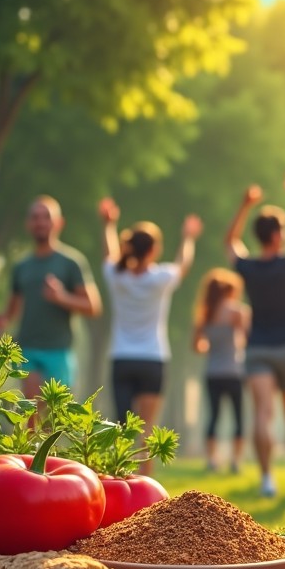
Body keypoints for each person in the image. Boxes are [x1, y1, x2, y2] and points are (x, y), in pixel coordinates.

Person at [226, 169, 285, 497]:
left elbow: (230, 243)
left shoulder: (249, 268)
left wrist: (244, 206)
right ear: (278, 235)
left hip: (257, 350)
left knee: (263, 415)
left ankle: (267, 478)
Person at [100, 198, 202, 475]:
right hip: (152, 360)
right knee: (146, 429)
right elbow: (184, 263)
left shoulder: (117, 277)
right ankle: (147, 491)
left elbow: (108, 254)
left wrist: (108, 224)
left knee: (123, 428)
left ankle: (120, 479)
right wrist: (188, 237)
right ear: (155, 249)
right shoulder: (160, 278)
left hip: (122, 358)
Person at [0, 195, 102, 397]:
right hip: (28, 350)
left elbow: (93, 306)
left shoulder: (72, 262)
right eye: (35, 217)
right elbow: (12, 309)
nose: (40, 222)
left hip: (59, 351)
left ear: (59, 223)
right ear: (28, 224)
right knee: (33, 412)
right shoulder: (21, 267)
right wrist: (2, 322)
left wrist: (62, 297)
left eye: (46, 217)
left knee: (52, 419)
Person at [193, 268, 250, 474]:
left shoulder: (205, 314)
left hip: (212, 372)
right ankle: (235, 461)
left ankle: (211, 460)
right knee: (238, 416)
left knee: (213, 416)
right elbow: (245, 339)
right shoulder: (237, 311)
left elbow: (197, 346)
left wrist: (211, 346)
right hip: (234, 370)